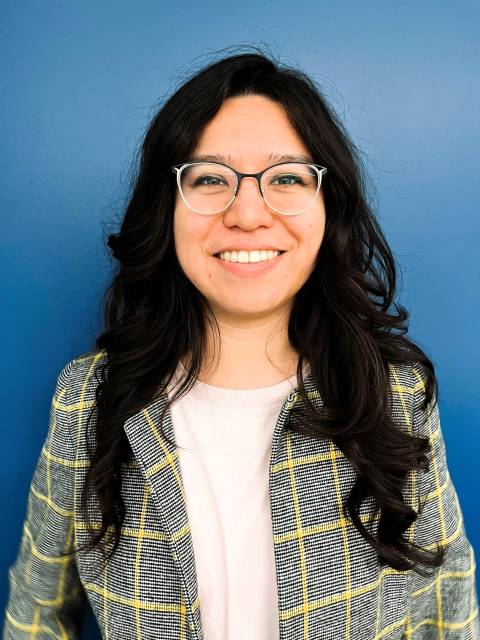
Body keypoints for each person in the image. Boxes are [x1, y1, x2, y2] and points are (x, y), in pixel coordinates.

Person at [3, 48, 479, 640]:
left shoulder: (395, 396)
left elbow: (447, 611)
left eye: (286, 178)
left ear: (329, 208)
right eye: (209, 179)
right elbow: (36, 612)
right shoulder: (89, 400)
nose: (248, 213)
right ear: (165, 207)